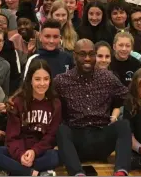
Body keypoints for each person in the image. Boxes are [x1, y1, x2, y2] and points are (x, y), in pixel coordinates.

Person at [55, 39, 131, 176]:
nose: (87, 58)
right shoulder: (61, 80)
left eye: (91, 54)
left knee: (123, 125)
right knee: (62, 130)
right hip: (76, 141)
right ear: (74, 56)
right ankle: (77, 173)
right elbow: (42, 96)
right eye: (82, 54)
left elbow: (129, 96)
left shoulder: (108, 77)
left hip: (102, 137)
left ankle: (120, 172)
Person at [0, 59, 61, 176]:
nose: (42, 83)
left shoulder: (55, 103)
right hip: (18, 150)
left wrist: (34, 151)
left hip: (40, 151)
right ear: (30, 80)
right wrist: (20, 155)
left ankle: (11, 170)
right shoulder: (18, 101)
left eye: (46, 79)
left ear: (50, 80)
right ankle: (34, 173)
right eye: (37, 79)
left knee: (57, 156)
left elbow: (50, 136)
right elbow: (12, 137)